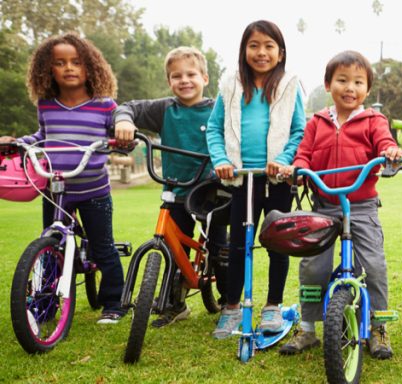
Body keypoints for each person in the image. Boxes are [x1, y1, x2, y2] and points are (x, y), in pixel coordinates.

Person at [276, 50, 402, 359]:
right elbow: (304, 153)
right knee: (312, 267)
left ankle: (378, 328)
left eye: (358, 82)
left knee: (373, 266)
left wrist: (390, 151)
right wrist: (296, 168)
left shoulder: (374, 120)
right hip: (324, 204)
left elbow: (384, 142)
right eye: (342, 80)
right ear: (328, 84)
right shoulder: (317, 122)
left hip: (361, 206)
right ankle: (306, 328)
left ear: (367, 90)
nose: (350, 88)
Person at [0, 33, 126, 324]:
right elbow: (43, 137)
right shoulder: (47, 105)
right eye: (60, 63)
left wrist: (123, 137)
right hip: (56, 190)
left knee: (103, 247)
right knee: (51, 246)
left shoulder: (104, 105)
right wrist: (18, 142)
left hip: (94, 190)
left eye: (76, 62)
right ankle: (45, 304)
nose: (68, 68)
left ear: (90, 67)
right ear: (48, 69)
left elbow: (119, 132)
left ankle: (114, 304)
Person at [113, 46, 228, 328]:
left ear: (205, 78)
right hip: (176, 190)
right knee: (174, 247)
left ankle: (230, 302)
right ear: (169, 81)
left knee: (220, 247)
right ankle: (175, 303)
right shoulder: (164, 109)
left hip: (211, 191)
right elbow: (128, 107)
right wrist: (125, 121)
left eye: (191, 74)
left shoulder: (218, 110)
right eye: (177, 76)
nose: (184, 80)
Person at [205, 20, 305, 339]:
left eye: (268, 46)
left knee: (278, 243)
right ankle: (232, 306)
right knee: (238, 245)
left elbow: (299, 131)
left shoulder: (289, 85)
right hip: (241, 180)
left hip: (276, 180)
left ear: (280, 52)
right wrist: (221, 161)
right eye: (254, 45)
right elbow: (216, 129)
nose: (261, 52)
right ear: (244, 50)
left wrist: (284, 160)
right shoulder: (231, 85)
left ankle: (273, 306)